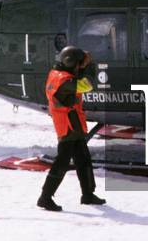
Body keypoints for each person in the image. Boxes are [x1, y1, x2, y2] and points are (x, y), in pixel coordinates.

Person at [37, 46, 106, 212]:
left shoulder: (61, 75)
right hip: (67, 126)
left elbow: (76, 78)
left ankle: (88, 194)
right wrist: (89, 66)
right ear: (70, 63)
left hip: (73, 125)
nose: (79, 68)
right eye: (78, 64)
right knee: (62, 162)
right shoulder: (64, 81)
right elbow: (87, 85)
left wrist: (83, 64)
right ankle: (45, 197)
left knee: (83, 159)